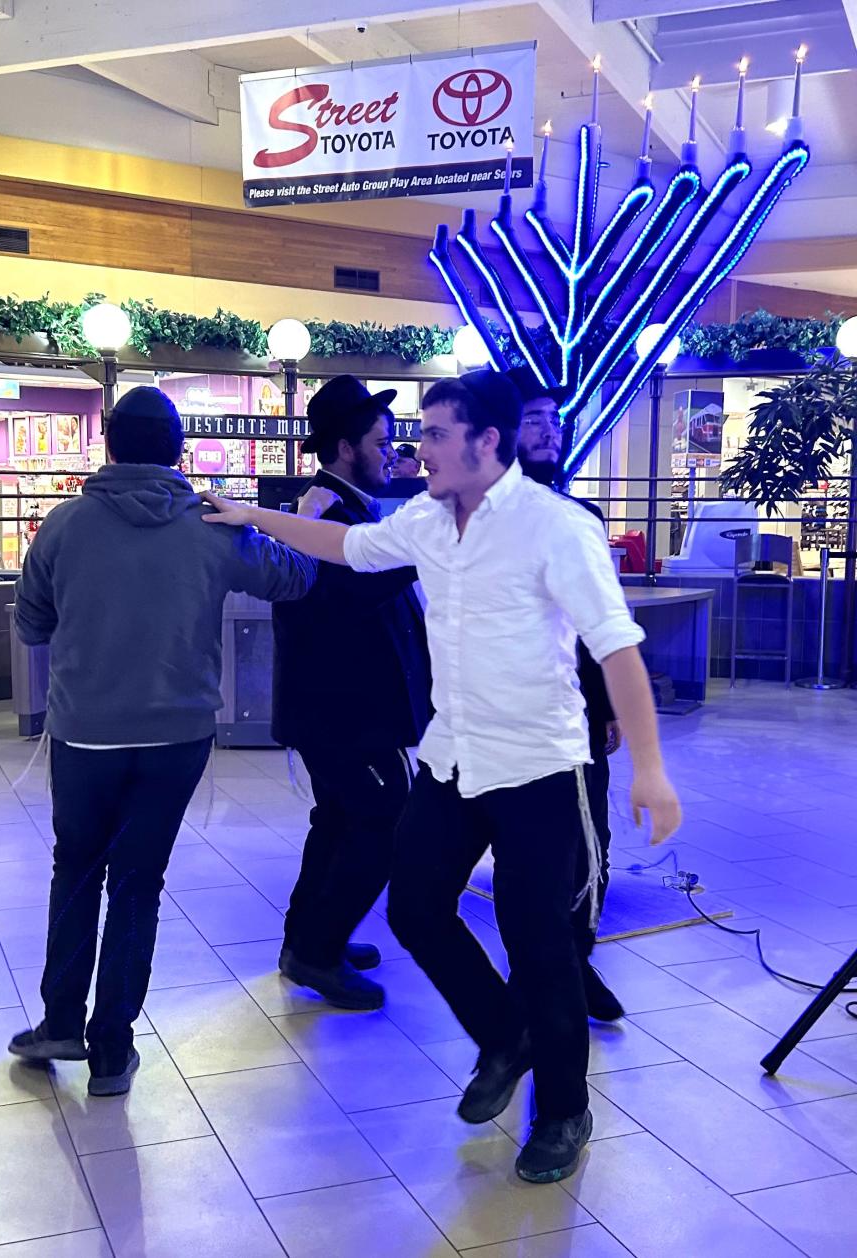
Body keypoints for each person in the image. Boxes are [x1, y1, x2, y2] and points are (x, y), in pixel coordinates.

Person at [201, 368, 681, 1184]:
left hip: (537, 764)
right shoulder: (425, 520)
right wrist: (251, 514)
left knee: (541, 943)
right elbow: (343, 547)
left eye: (434, 436)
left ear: (486, 443)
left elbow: (616, 645)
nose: (418, 451)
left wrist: (651, 770)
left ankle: (563, 1111)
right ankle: (505, 1036)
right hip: (453, 760)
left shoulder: (555, 527)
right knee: (416, 908)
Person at [8, 386, 315, 1096]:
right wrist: (291, 522)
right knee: (138, 883)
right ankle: (112, 1049)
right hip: (178, 736)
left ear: (109, 447)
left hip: (85, 734)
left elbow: (31, 625)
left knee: (77, 871)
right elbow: (294, 579)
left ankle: (59, 1021)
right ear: (178, 452)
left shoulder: (63, 525)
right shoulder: (212, 525)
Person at [273, 375, 432, 1010]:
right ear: (344, 448)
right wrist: (423, 549)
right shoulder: (326, 514)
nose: (393, 452)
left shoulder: (345, 507)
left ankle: (307, 941)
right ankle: (317, 951)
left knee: (338, 820)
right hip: (348, 713)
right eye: (381, 440)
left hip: (346, 710)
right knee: (388, 822)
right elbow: (349, 595)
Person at [509, 366, 624, 1022]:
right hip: (512, 717)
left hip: (578, 711)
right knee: (533, 852)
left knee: (592, 839)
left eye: (554, 421)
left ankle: (577, 959)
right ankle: (546, 972)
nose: (549, 432)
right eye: (534, 421)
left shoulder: (583, 515)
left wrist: (608, 702)